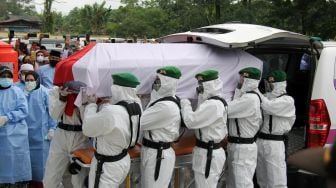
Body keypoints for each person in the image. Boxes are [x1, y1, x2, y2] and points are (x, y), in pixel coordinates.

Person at [82, 73, 142, 188]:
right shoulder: (136, 105)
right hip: (122, 160)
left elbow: (87, 128)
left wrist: (91, 105)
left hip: (107, 166)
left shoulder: (111, 112)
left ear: (117, 90)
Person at [181, 70, 227, 188]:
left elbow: (191, 121)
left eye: (203, 85)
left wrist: (185, 102)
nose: (200, 88)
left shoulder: (213, 104)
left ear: (210, 85)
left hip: (209, 154)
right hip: (206, 151)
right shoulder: (212, 101)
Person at [43, 81, 91, 188]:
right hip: (61, 135)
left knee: (79, 179)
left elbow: (88, 119)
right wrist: (62, 97)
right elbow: (54, 115)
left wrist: (83, 101)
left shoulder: (88, 91)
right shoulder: (55, 91)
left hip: (80, 136)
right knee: (51, 178)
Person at [140, 66, 182, 188]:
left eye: (159, 81)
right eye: (155, 81)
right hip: (152, 151)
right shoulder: (162, 100)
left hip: (158, 155)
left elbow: (141, 122)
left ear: (168, 83)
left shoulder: (166, 106)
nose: (155, 84)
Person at [256, 70, 296, 188]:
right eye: (268, 83)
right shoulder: (265, 97)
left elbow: (269, 107)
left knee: (276, 179)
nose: (269, 86)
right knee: (262, 178)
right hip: (261, 140)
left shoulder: (287, 100)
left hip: (275, 143)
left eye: (272, 83)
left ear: (280, 84)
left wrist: (255, 90)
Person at [226, 67, 263, 188]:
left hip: (243, 148)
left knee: (242, 183)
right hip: (236, 145)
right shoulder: (244, 96)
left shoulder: (250, 99)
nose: (241, 80)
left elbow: (227, 110)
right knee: (232, 183)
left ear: (250, 81)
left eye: (244, 78)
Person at [20, 71, 57, 188]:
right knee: (26, 162)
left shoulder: (45, 92)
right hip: (25, 135)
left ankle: (41, 184)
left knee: (41, 162)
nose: (29, 82)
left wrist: (52, 128)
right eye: (27, 80)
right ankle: (28, 182)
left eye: (32, 80)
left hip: (41, 134)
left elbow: (52, 113)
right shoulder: (22, 93)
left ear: (37, 80)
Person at [0, 66, 31, 187]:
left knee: (16, 160)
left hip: (16, 133)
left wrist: (7, 117)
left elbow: (23, 110)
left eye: (8, 76)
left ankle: (18, 182)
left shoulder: (17, 91)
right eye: (3, 77)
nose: (6, 79)